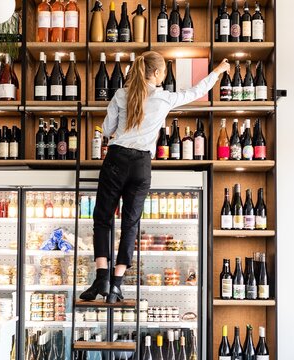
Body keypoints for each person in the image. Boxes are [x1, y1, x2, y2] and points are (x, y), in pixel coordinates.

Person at [80, 51, 230, 303]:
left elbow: (106, 130)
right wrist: (217, 71)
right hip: (141, 164)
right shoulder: (164, 99)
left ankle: (101, 278)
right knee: (130, 222)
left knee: (102, 219)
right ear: (158, 73)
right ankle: (116, 285)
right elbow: (195, 92)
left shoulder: (121, 94)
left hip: (116, 159)